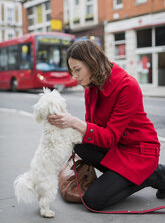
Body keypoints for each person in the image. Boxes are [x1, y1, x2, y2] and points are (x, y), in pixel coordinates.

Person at [48, 40, 165, 210]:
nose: (74, 76)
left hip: (139, 153)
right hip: (118, 148)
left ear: (92, 62)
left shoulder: (127, 86)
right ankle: (120, 177)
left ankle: (151, 175)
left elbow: (109, 137)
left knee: (92, 201)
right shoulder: (91, 87)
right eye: (72, 71)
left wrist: (75, 122)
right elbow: (92, 129)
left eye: (77, 70)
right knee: (80, 145)